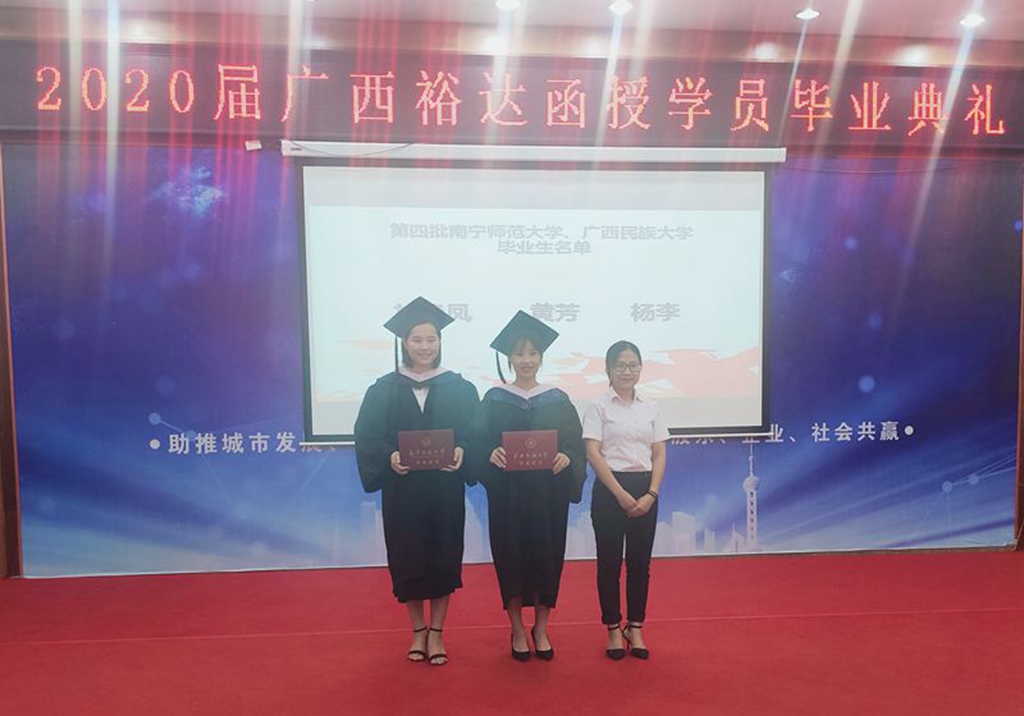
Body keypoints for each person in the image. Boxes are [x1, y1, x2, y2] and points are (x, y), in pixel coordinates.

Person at [353, 297, 479, 666]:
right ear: (404, 343)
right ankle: (418, 630)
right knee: (409, 558)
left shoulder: (460, 388)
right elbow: (367, 436)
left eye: (431, 339)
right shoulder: (383, 389)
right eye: (417, 340)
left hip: (444, 490)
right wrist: (389, 456)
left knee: (442, 556)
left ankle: (437, 631)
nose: (425, 347)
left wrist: (463, 451)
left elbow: (476, 432)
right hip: (403, 492)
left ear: (440, 342)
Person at [472, 311, 586, 662]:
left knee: (546, 558)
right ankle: (517, 629)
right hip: (508, 498)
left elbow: (574, 443)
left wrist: (567, 456)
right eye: (519, 353)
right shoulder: (494, 399)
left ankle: (541, 627)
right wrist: (489, 453)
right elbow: (477, 442)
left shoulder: (558, 399)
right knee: (512, 558)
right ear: (509, 358)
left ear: (541, 357)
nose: (526, 360)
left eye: (533, 353)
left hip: (547, 497)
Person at [583, 340, 668, 661]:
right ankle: (612, 629)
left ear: (640, 369)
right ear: (609, 369)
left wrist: (651, 494)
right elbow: (593, 452)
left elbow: (659, 453)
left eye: (633, 365)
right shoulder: (598, 406)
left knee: (639, 565)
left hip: (645, 489)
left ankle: (635, 626)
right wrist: (619, 494)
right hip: (610, 491)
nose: (627, 371)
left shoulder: (651, 407)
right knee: (608, 565)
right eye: (620, 365)